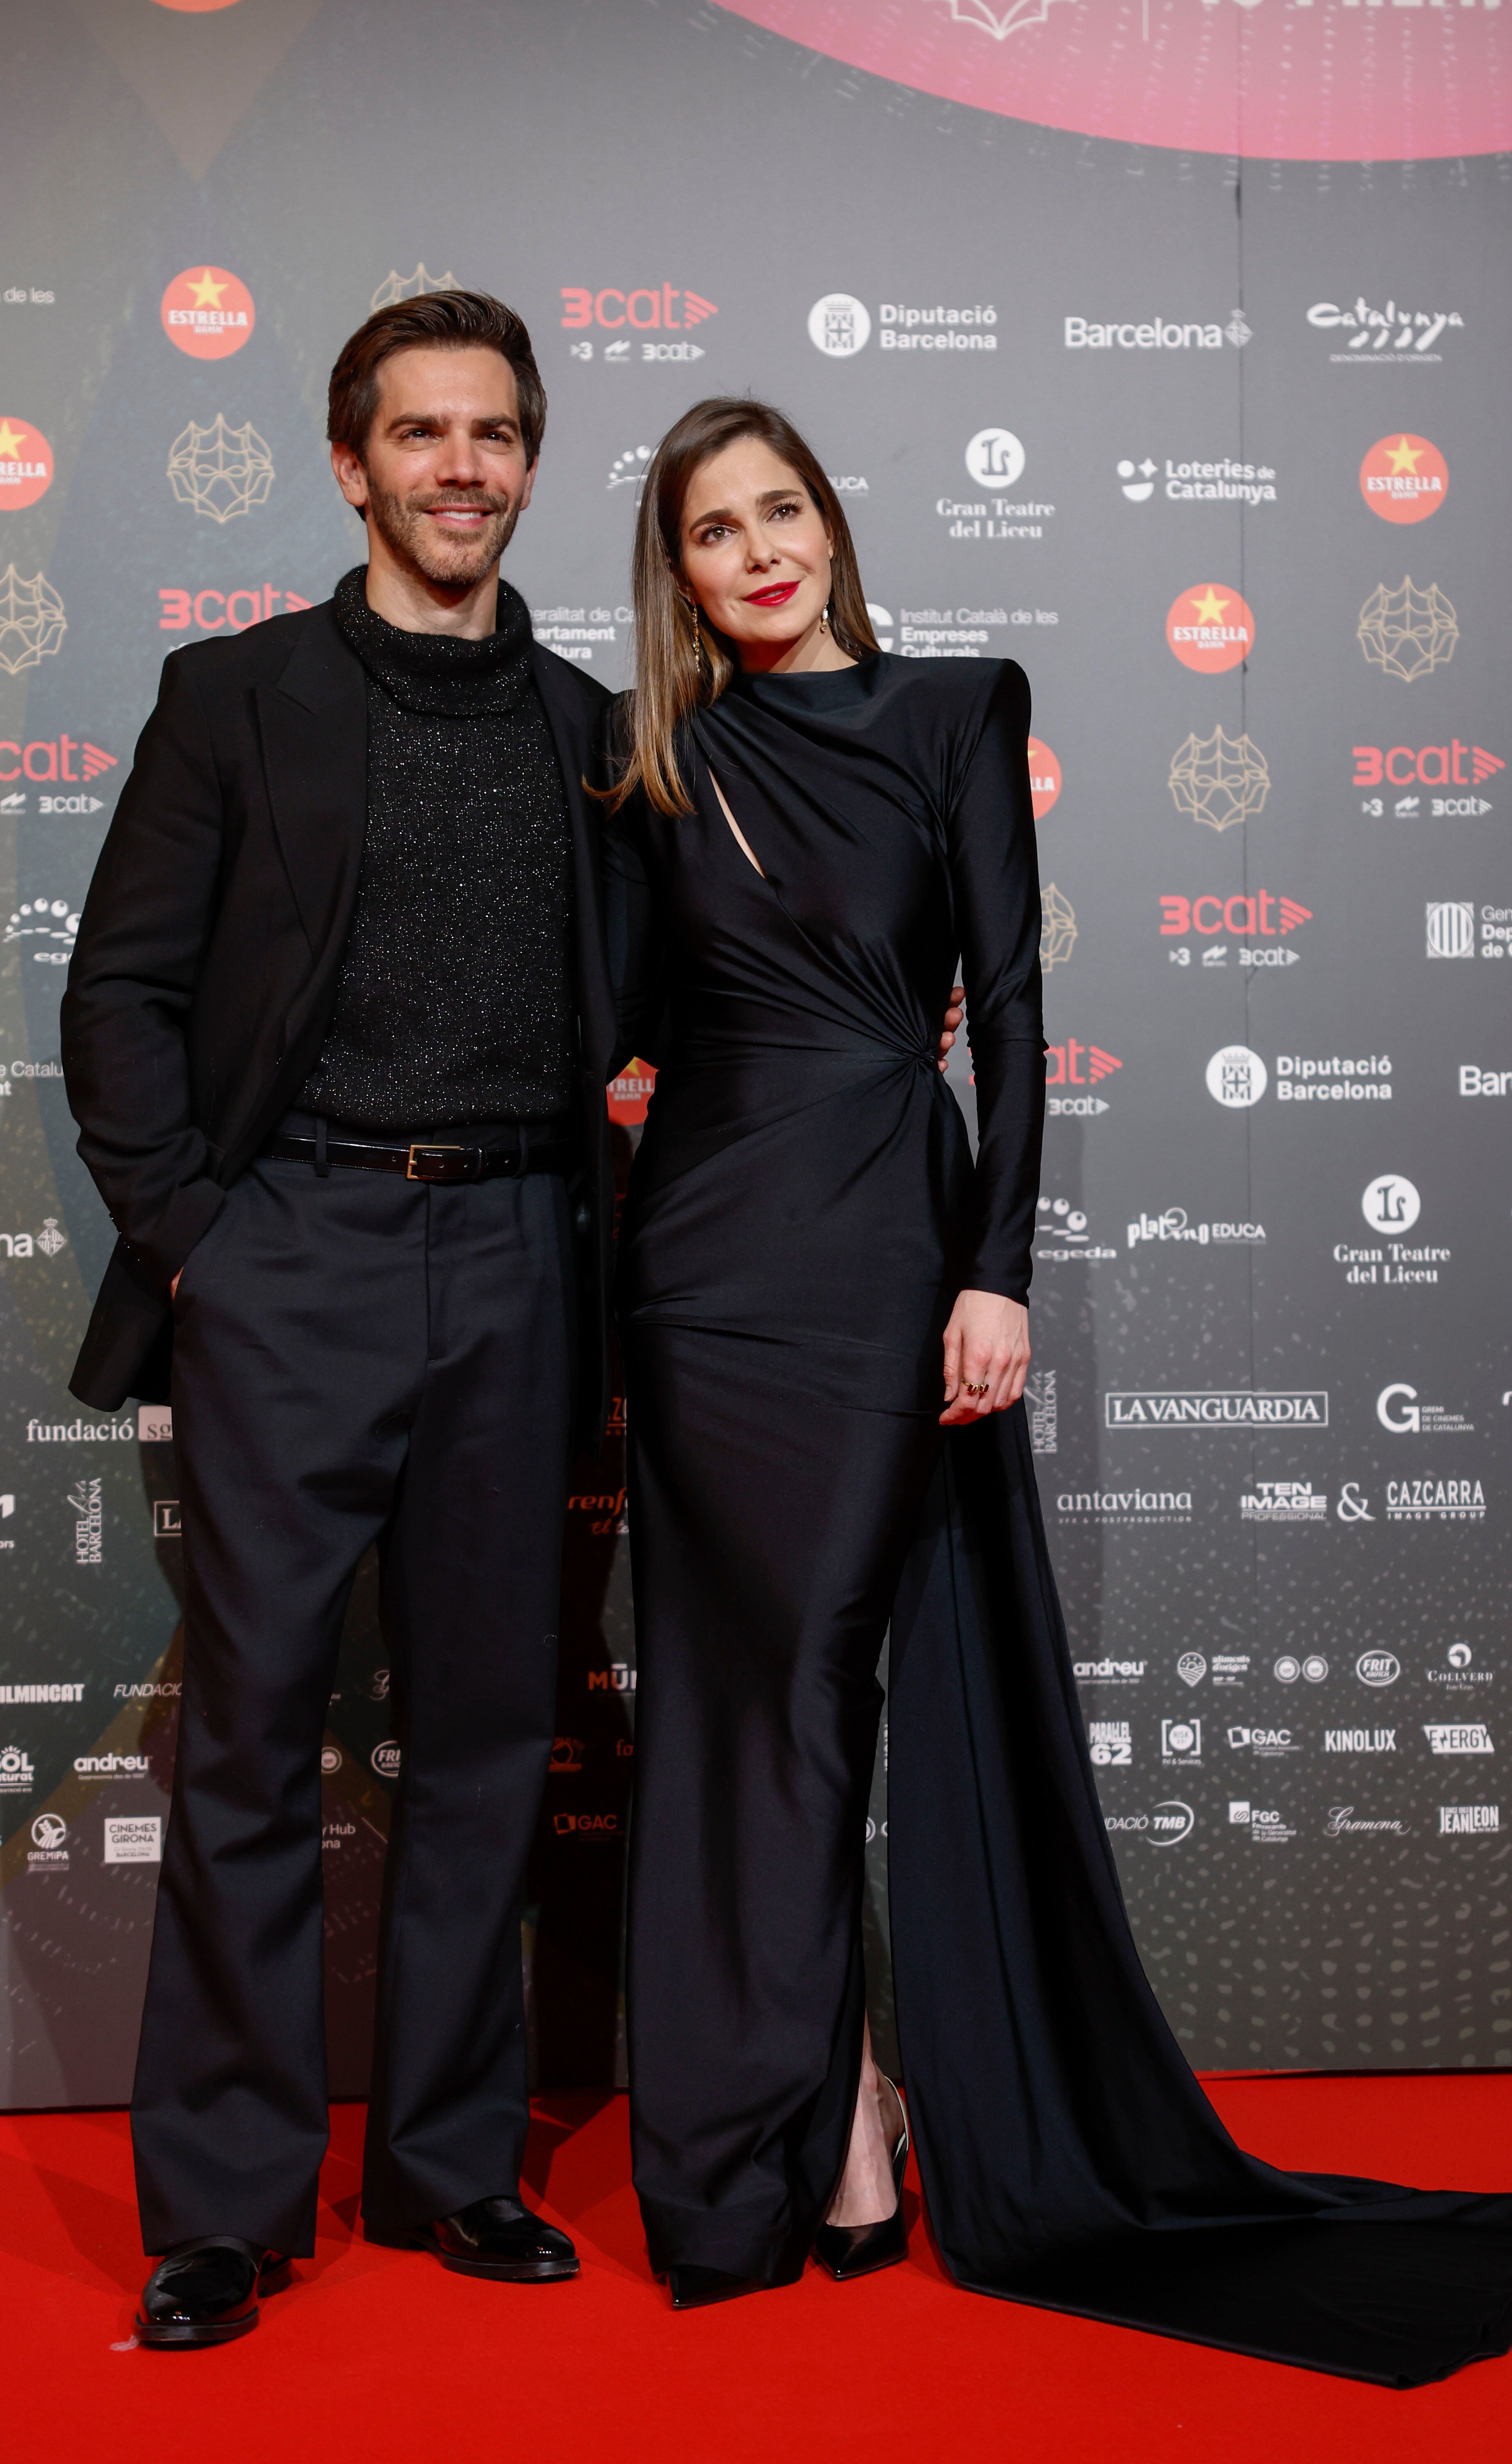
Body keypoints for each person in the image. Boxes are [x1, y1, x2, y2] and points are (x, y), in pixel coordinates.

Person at [600, 396, 1512, 2379]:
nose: (758, 553)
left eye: (781, 511)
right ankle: (831, 2109)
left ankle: (822, 2120)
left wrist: (997, 1271)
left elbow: (1017, 1015)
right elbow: (618, 1019)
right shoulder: (653, 762)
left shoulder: (957, 710)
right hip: (698, 1267)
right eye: (713, 531)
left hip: (885, 1248)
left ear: (829, 525)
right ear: (677, 572)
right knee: (727, 1696)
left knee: (817, 1679)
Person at [62, 291, 618, 2346]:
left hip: (519, 1258)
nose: (461, 468)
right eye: (421, 433)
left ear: (530, 462)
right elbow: (119, 993)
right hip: (290, 1254)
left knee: (482, 1739)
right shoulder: (235, 697)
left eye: (494, 434)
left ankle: (452, 2167)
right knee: (250, 1740)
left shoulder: (592, 733)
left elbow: (675, 993)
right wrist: (200, 1240)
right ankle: (225, 2206)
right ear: (351, 462)